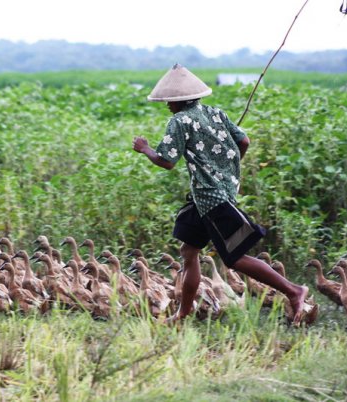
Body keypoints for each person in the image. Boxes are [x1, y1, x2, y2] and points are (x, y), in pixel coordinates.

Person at [132, 64, 308, 325]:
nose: (168, 104)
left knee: (234, 258)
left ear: (180, 100)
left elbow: (167, 161)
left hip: (212, 199)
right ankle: (183, 313)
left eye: (170, 100)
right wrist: (229, 173)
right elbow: (244, 141)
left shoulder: (179, 121)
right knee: (189, 250)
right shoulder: (215, 113)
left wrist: (144, 149)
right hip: (206, 197)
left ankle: (294, 291)